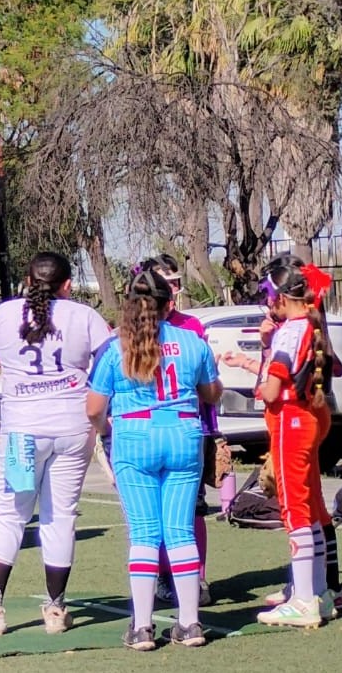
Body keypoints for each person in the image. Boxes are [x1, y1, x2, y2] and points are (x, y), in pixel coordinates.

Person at [0, 252, 112, 635]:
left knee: (10, 515)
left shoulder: (5, 314)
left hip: (23, 433)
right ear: (68, 284)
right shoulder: (85, 316)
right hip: (74, 428)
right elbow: (109, 369)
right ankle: (56, 608)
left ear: (28, 281)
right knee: (60, 515)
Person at [86, 270, 223, 651]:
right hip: (183, 435)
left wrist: (105, 430)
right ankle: (190, 622)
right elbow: (212, 393)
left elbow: (94, 408)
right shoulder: (192, 340)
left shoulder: (114, 347)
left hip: (134, 436)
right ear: (168, 304)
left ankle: (143, 626)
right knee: (180, 531)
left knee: (144, 534)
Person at [221, 253, 342, 618]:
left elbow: (274, 388)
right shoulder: (309, 325)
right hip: (306, 417)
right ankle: (319, 592)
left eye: (268, 295)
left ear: (280, 297)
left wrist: (260, 387)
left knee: (295, 509)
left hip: (291, 419)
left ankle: (304, 601)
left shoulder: (291, 331)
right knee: (309, 506)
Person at [135, 254, 218, 607]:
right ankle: (161, 574)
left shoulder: (191, 327)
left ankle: (194, 576)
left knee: (192, 509)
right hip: (149, 431)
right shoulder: (132, 332)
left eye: (176, 283)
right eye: (166, 283)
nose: (173, 291)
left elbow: (207, 383)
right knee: (151, 512)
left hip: (190, 427)